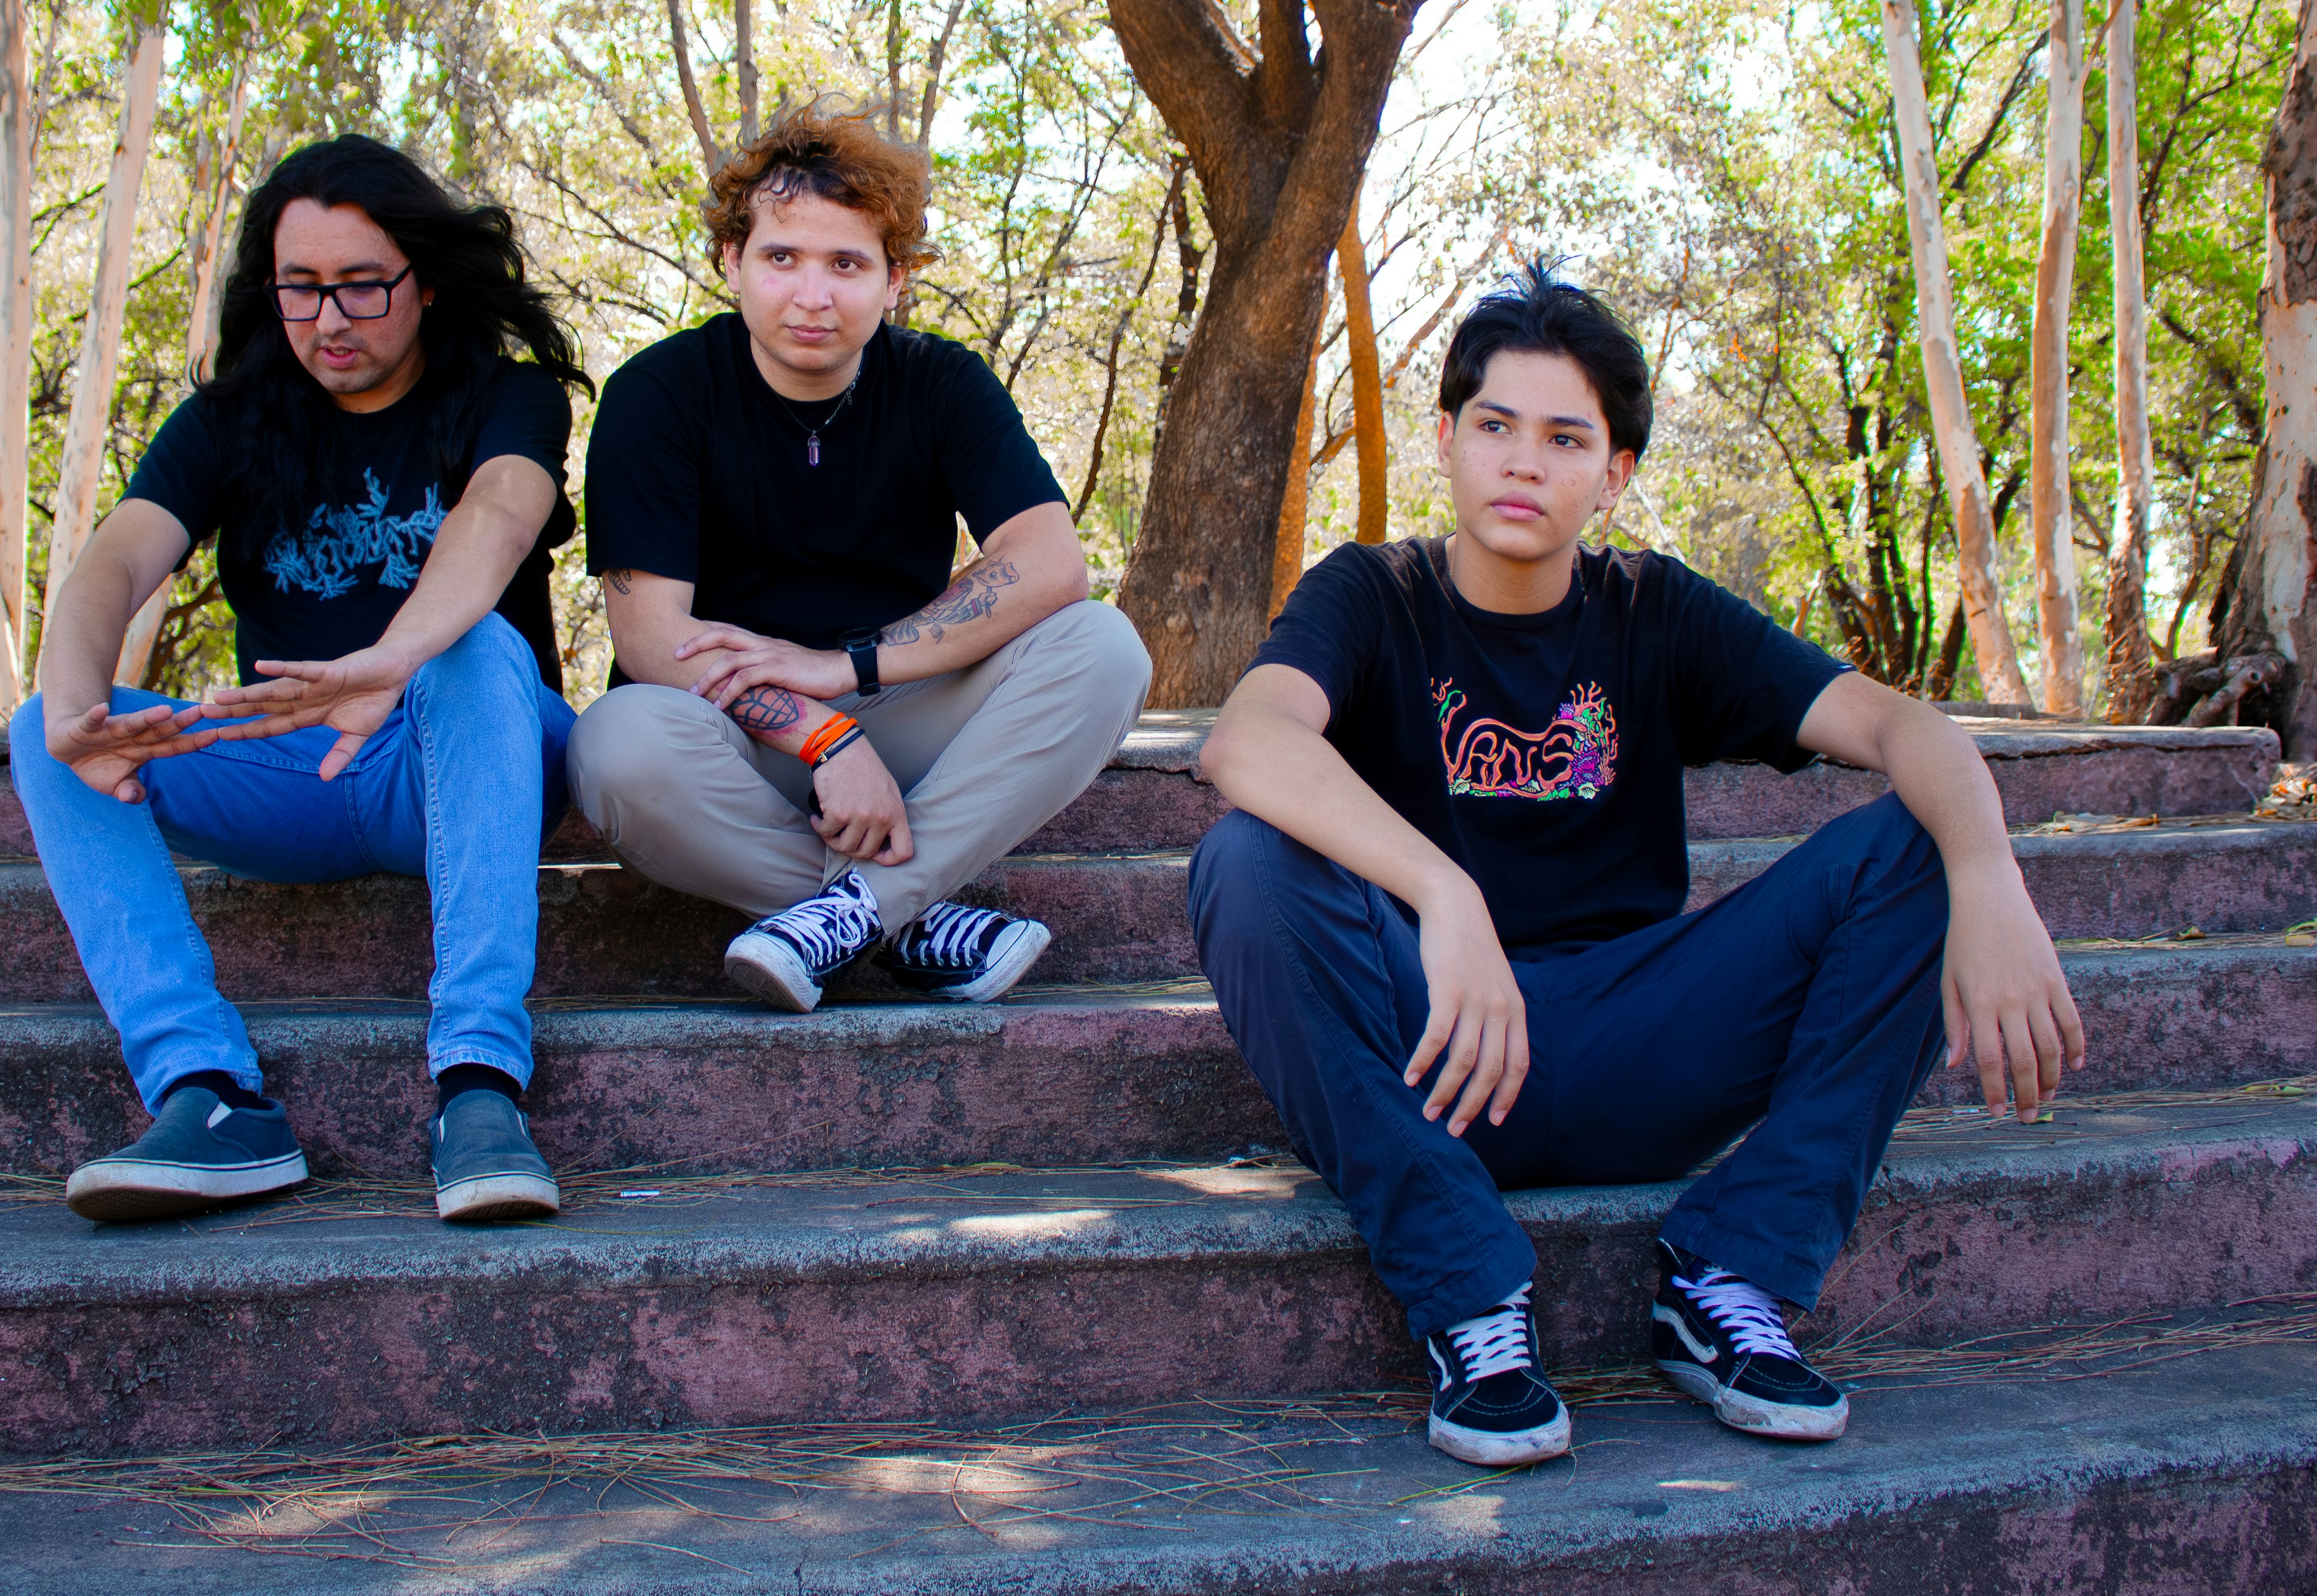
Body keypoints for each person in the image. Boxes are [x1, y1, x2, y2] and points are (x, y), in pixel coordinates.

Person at [1190, 263, 2085, 1467]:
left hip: (1641, 1042)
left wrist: (1988, 878)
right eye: (1495, 427)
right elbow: (1246, 740)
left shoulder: (1653, 612)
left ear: (1612, 474)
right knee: (1243, 863)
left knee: (1919, 844)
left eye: (1565, 439)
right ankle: (1465, 1293)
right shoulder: (1372, 595)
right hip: (1431, 1052)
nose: (1523, 463)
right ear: (1447, 440)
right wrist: (1446, 896)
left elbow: (1901, 728)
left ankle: (1727, 1276)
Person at [11, 135, 592, 1226]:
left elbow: (501, 512)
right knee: (50, 723)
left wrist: (393, 659)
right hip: (302, 768)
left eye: (363, 286)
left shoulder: (505, 400)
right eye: (302, 290)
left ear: (422, 280)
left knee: (472, 652)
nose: (332, 320)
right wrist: (75, 703)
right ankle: (211, 1095)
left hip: (467, 764)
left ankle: (479, 1088)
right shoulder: (233, 420)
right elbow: (115, 558)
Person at [567, 104, 1151, 1013]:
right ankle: (906, 921)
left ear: (894, 281)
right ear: (731, 262)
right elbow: (651, 642)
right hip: (735, 737)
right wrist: (822, 732)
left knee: (1104, 646)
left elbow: (1049, 566)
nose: (812, 295)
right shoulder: (658, 394)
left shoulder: (942, 383)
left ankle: (848, 914)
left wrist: (845, 674)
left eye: (847, 264)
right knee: (615, 744)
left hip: (902, 709)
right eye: (781, 258)